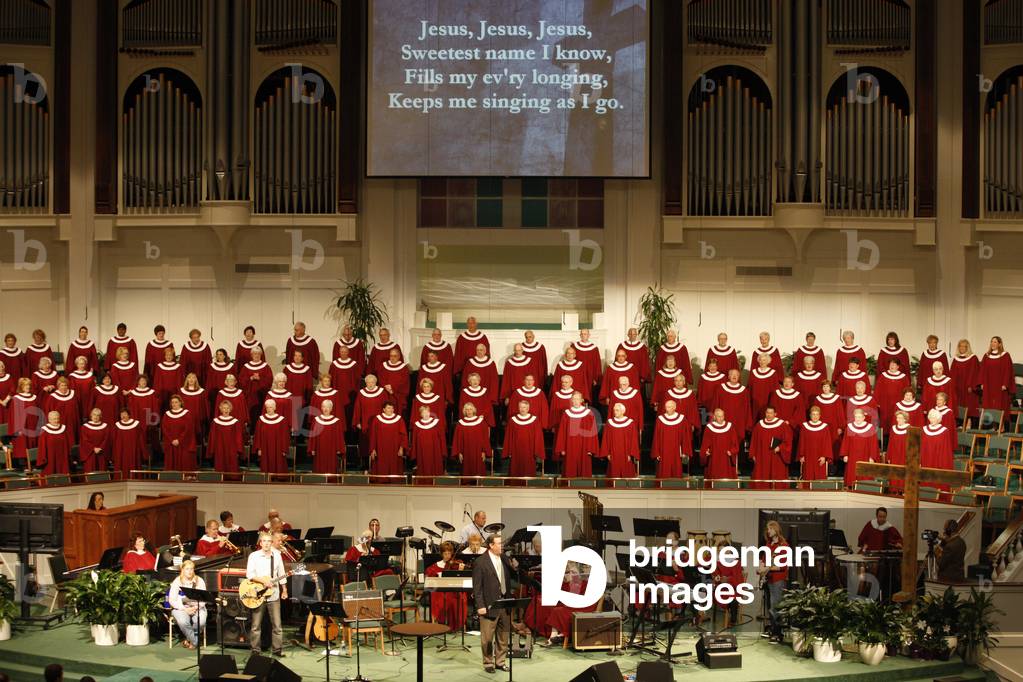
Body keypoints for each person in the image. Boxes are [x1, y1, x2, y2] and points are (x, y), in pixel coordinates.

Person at [472, 534, 517, 674]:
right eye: (498, 543)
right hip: (489, 604)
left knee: (503, 635)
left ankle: (500, 662)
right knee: (487, 637)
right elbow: (477, 587)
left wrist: (515, 567)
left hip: (504, 603)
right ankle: (488, 663)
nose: (501, 546)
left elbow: (513, 577)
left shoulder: (504, 559)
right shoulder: (480, 562)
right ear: (491, 545)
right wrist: (480, 606)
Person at [245, 532, 286, 658]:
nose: (267, 543)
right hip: (258, 594)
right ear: (260, 543)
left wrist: (284, 589)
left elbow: (281, 574)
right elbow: (250, 575)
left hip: (274, 594)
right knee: (256, 625)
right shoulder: (254, 556)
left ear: (271, 542)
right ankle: (255, 650)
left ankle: (277, 649)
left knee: (277, 625)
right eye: (264, 541)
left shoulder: (277, 555)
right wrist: (264, 581)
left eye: (269, 541)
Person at [757, 520, 788, 642]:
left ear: (776, 530)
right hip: (769, 579)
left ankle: (778, 634)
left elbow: (782, 566)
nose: (768, 531)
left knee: (776, 607)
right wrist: (760, 567)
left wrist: (767, 568)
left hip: (778, 580)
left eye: (770, 529)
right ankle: (772, 630)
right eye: (767, 529)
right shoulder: (769, 545)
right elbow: (764, 559)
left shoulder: (783, 546)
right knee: (770, 606)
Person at [554, 392, 599, 477]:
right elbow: (562, 432)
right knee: (569, 469)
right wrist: (562, 448)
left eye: (577, 399)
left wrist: (590, 449)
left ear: (581, 400)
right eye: (573, 399)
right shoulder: (567, 414)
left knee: (584, 469)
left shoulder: (588, 413)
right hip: (570, 445)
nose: (575, 401)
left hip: (584, 446)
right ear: (571, 400)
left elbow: (592, 432)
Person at [424, 541, 468, 628]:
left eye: (449, 553)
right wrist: (438, 576)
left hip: (453, 589)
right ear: (441, 554)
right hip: (440, 590)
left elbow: (460, 579)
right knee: (438, 596)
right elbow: (429, 579)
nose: (448, 556)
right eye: (445, 553)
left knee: (461, 595)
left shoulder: (456, 564)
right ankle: (439, 622)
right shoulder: (435, 566)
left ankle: (457, 624)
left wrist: (460, 571)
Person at [749, 406, 793, 490]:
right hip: (762, 456)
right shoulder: (759, 425)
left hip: (776, 456)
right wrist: (753, 454)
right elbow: (754, 441)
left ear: (775, 414)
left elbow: (788, 440)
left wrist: (780, 447)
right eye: (767, 413)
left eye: (771, 413)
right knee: (762, 475)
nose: (769, 415)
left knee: (777, 476)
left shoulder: (782, 425)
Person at [169, 559, 207, 649]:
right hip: (181, 608)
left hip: (197, 607)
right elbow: (172, 600)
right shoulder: (177, 581)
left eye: (191, 569)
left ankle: (189, 639)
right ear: (182, 570)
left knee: (200, 622)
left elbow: (204, 599)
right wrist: (184, 609)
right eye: (187, 569)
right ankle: (195, 642)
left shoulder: (199, 581)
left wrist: (195, 607)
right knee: (183, 622)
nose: (190, 571)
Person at [651, 400, 692, 479]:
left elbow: (685, 436)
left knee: (676, 471)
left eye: (669, 407)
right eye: (666, 407)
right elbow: (656, 437)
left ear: (674, 408)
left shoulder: (681, 419)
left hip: (676, 450)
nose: (667, 409)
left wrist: (684, 451)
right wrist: (657, 452)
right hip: (664, 450)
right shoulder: (660, 419)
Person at [503, 401, 544, 477]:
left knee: (528, 470)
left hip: (529, 450)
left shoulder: (534, 420)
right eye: (520, 407)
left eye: (524, 407)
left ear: (528, 408)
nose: (522, 409)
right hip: (516, 450)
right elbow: (509, 437)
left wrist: (536, 451)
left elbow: (538, 437)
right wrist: (509, 451)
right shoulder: (513, 420)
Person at [840, 408, 879, 487]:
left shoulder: (870, 428)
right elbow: (846, 442)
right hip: (852, 455)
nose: (858, 419)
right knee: (852, 473)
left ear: (864, 417)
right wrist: (845, 455)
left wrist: (872, 457)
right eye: (856, 417)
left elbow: (873, 444)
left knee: (865, 475)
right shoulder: (850, 427)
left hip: (865, 454)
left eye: (860, 417)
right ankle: (851, 486)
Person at [452, 403, 492, 477]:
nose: (469, 411)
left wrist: (483, 451)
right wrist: (459, 452)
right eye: (467, 410)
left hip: (478, 450)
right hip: (465, 451)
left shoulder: (481, 422)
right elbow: (458, 439)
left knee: (478, 473)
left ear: (473, 410)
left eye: (470, 409)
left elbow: (484, 438)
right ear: (464, 411)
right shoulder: (461, 423)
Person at [600, 403, 640, 478]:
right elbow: (606, 439)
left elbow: (633, 440)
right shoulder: (610, 423)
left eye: (617, 410)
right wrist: (607, 453)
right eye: (614, 410)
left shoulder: (630, 423)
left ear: (623, 411)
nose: (615, 412)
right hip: (613, 453)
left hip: (626, 454)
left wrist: (630, 454)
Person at [700, 408, 739, 483]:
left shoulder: (730, 427)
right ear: (714, 417)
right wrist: (705, 451)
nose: (721, 418)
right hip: (714, 457)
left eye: (722, 416)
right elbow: (705, 443)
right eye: (718, 416)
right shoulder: (709, 428)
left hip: (726, 458)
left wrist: (732, 451)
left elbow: (735, 443)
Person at [979, 336, 1014, 419]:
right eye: (991, 341)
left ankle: (1001, 426)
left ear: (999, 344)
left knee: (1000, 405)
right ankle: (990, 425)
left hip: (1000, 385)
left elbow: (1007, 370)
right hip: (989, 385)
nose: (992, 343)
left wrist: (1005, 384)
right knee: (989, 405)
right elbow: (983, 370)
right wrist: (982, 383)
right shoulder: (986, 356)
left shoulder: (1005, 355)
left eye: (995, 342)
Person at [308, 399, 345, 474]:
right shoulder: (316, 420)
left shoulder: (336, 422)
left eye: (328, 407)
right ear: (321, 408)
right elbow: (313, 436)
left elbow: (339, 437)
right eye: (324, 407)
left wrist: (339, 449)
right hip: (319, 448)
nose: (325, 409)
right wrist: (312, 448)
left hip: (332, 449)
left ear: (331, 409)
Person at [369, 402, 406, 476]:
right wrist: (372, 449)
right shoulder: (377, 419)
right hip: (381, 449)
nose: (391, 410)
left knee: (395, 468)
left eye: (392, 408)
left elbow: (403, 435)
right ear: (384, 409)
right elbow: (373, 435)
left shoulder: (399, 419)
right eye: (389, 408)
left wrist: (401, 448)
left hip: (395, 448)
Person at [798, 406, 833, 481]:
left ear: (820, 416)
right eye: (813, 414)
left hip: (820, 457)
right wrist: (802, 455)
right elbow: (802, 441)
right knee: (807, 477)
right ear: (810, 415)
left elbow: (827, 443)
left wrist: (824, 456)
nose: (815, 416)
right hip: (808, 457)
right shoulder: (804, 426)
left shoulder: (824, 427)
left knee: (819, 480)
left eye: (817, 414)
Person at [254, 399, 289, 474]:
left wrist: (284, 449)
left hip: (278, 448)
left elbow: (285, 436)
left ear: (275, 408)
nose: (269, 409)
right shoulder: (261, 420)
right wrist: (259, 448)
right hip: (265, 447)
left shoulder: (281, 420)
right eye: (267, 407)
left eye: (271, 407)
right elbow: (258, 435)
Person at [410, 404, 446, 476]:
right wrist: (414, 452)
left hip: (435, 449)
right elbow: (414, 440)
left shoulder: (436, 423)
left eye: (427, 412)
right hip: (422, 450)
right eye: (424, 412)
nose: (426, 414)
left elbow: (442, 437)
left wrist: (443, 450)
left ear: (430, 413)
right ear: (420, 414)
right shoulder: (417, 425)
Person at [162, 395, 196, 470]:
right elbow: (165, 429)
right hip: (171, 444)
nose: (174, 404)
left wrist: (179, 440)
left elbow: (188, 429)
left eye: (176, 402)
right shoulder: (167, 414)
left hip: (184, 444)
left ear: (180, 403)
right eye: (172, 402)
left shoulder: (186, 413)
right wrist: (171, 440)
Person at [950, 339, 981, 420]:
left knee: (970, 407)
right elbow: (952, 374)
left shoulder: (973, 358)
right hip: (958, 388)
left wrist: (971, 385)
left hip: (969, 388)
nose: (962, 348)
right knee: (959, 405)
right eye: (960, 346)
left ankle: (972, 425)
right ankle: (960, 424)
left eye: (964, 346)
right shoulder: (956, 359)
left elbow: (974, 373)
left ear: (967, 347)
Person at [209, 401, 243, 473]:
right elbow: (212, 436)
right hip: (219, 448)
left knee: (232, 465)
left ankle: (232, 479)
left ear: (230, 409)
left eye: (228, 408)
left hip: (232, 448)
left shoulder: (235, 422)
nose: (226, 410)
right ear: (220, 409)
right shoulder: (215, 422)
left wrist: (238, 449)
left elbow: (238, 437)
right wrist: (213, 449)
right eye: (224, 408)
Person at [112, 408, 146, 474]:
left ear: (129, 415)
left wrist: (143, 453)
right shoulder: (117, 426)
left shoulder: (136, 425)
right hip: (121, 452)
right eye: (121, 414)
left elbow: (141, 439)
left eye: (125, 414)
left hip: (133, 451)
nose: (123, 416)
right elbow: (114, 441)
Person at [37, 411, 72, 476]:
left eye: (57, 418)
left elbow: (68, 443)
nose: (56, 420)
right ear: (49, 420)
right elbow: (42, 446)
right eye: (54, 419)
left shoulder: (63, 429)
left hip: (62, 456)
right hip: (50, 457)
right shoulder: (44, 430)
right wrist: (43, 458)